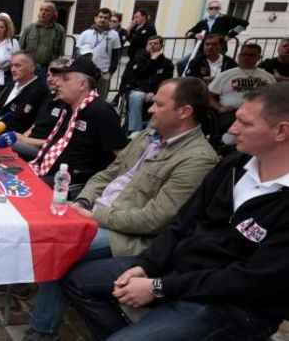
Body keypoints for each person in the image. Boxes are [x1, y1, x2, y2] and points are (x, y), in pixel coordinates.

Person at [62, 82, 289, 341]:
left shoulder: (210, 161)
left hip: (235, 305)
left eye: (245, 123)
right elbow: (182, 223)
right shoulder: (235, 166)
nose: (232, 129)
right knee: (77, 280)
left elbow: (251, 280)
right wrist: (146, 267)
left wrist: (159, 287)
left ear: (281, 131)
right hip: (177, 273)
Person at [23, 77, 218, 341]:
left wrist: (94, 215)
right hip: (96, 212)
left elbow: (155, 220)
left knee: (59, 248)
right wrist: (84, 201)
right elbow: (110, 171)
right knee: (39, 224)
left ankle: (42, 331)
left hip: (128, 235)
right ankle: (24, 293)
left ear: (184, 112)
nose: (149, 109)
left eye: (159, 104)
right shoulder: (150, 135)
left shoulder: (197, 158)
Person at [30, 57, 128, 184]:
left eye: (65, 79)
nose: (58, 83)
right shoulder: (68, 108)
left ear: (82, 84)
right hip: (45, 170)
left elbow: (123, 157)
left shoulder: (101, 111)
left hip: (70, 185)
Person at [208, 43, 275, 135]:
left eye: (251, 55)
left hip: (260, 113)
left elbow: (275, 98)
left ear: (259, 58)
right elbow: (208, 96)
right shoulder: (225, 75)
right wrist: (220, 108)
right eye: (243, 54)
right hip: (232, 112)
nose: (246, 57)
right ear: (239, 56)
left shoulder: (268, 77)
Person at [13, 58, 70, 160]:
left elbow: (58, 142)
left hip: (44, 151)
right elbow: (34, 126)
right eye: (48, 75)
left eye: (55, 75)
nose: (49, 79)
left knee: (5, 143)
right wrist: (22, 138)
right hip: (28, 143)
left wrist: (24, 140)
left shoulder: (67, 104)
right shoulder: (48, 98)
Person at [176, 0, 249, 75]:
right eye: (211, 8)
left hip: (219, 49)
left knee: (214, 68)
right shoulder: (203, 22)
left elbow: (244, 24)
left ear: (219, 9)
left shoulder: (225, 19)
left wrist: (230, 35)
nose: (213, 10)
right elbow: (188, 33)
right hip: (201, 50)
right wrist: (195, 35)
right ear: (207, 9)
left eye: (216, 8)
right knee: (181, 63)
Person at [121, 35, 174, 134]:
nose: (152, 46)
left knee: (163, 101)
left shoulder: (167, 63)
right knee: (136, 97)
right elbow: (139, 73)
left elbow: (166, 82)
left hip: (157, 93)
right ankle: (135, 131)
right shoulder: (139, 59)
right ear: (146, 46)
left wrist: (154, 93)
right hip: (138, 90)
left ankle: (150, 131)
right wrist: (152, 61)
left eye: (156, 43)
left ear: (161, 46)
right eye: (150, 44)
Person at [0, 51, 48, 134]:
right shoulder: (14, 82)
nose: (12, 69)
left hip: (14, 137)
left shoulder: (37, 91)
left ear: (31, 67)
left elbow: (20, 124)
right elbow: (2, 109)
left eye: (17, 66)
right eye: (11, 66)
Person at [76, 8, 122, 99]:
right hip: (86, 73)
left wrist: (111, 71)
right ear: (95, 18)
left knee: (100, 98)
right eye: (100, 17)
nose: (102, 19)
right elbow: (77, 52)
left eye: (106, 18)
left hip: (103, 73)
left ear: (109, 20)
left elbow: (116, 55)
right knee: (83, 97)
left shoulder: (114, 35)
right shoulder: (86, 33)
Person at [20, 1, 66, 72]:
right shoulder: (29, 28)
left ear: (53, 13)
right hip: (31, 67)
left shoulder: (59, 30)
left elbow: (61, 53)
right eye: (41, 10)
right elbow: (21, 49)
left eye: (47, 10)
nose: (43, 12)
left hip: (49, 68)